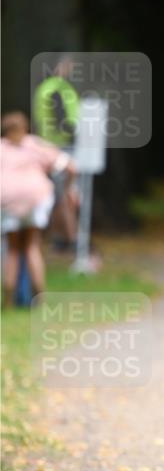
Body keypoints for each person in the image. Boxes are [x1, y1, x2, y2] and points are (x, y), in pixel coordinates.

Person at [0, 111, 77, 307]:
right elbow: (69, 166)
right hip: (36, 198)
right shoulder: (34, 145)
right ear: (25, 128)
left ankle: (7, 301)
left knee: (13, 249)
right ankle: (39, 297)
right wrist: (67, 190)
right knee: (32, 246)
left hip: (7, 200)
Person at [32, 55, 80, 249]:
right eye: (69, 64)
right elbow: (64, 120)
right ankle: (71, 239)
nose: (71, 68)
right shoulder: (58, 88)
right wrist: (75, 136)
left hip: (47, 145)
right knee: (64, 194)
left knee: (56, 194)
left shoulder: (43, 88)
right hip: (60, 148)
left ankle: (59, 238)